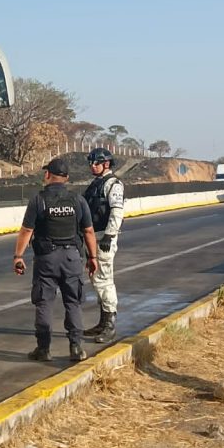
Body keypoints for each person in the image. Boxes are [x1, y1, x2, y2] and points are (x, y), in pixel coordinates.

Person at [13, 156, 98, 362]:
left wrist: (18, 256)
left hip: (46, 259)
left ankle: (43, 349)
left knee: (44, 302)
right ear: (67, 178)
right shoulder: (78, 200)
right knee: (73, 302)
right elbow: (88, 231)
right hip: (71, 258)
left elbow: (27, 230)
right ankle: (76, 347)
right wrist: (93, 257)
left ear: (47, 175)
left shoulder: (38, 200)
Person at [83, 147, 125, 343]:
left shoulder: (113, 184)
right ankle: (102, 322)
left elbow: (117, 211)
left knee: (104, 280)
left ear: (106, 164)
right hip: (93, 237)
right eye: (91, 163)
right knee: (96, 279)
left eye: (96, 163)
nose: (92, 166)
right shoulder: (96, 183)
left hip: (103, 238)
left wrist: (109, 235)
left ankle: (109, 325)